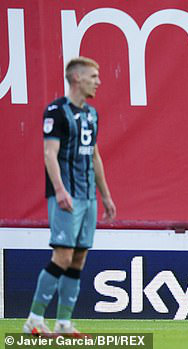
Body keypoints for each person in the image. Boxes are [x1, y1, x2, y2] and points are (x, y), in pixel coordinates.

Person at [23, 57, 116, 337]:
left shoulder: (91, 114)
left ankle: (63, 323)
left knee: (78, 259)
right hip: (67, 195)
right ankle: (34, 320)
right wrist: (61, 190)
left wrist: (106, 195)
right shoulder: (56, 112)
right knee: (62, 256)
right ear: (76, 79)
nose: (98, 81)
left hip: (88, 196)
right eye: (93, 76)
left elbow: (95, 156)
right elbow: (49, 153)